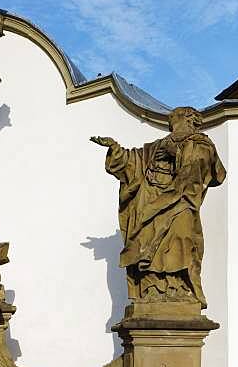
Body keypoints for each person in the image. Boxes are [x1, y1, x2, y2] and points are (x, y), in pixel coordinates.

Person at [90, 107, 226, 307]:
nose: (170, 119)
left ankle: (178, 289)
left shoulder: (200, 143)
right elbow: (135, 160)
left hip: (181, 202)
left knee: (180, 243)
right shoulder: (159, 144)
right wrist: (116, 150)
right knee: (146, 245)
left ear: (188, 118)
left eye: (174, 115)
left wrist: (177, 153)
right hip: (151, 202)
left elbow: (201, 170)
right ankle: (152, 289)